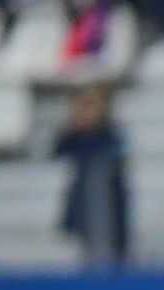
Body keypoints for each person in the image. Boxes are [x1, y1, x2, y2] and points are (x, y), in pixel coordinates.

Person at [55, 84, 129, 266]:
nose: (86, 114)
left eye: (91, 107)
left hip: (103, 229)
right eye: (82, 107)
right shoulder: (65, 142)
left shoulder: (110, 143)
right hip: (75, 226)